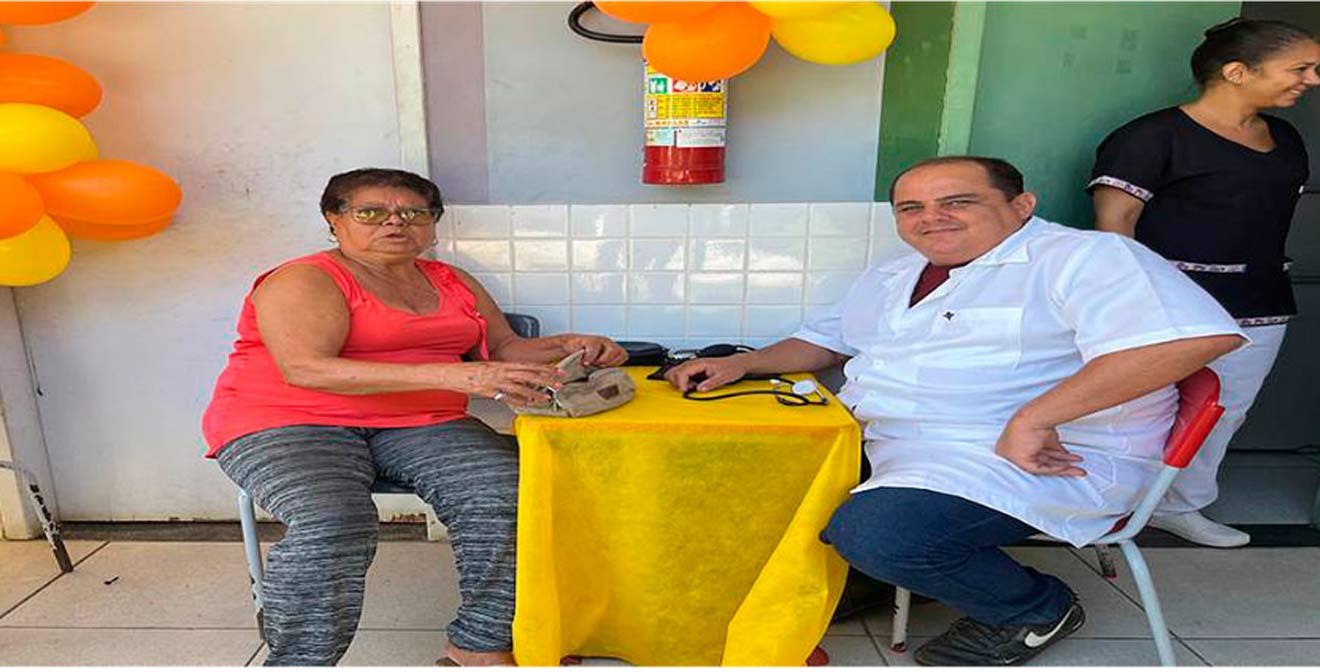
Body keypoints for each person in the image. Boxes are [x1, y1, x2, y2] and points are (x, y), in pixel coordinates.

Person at [665, 156, 1244, 666]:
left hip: (1035, 456)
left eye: (958, 202)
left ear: (1021, 205)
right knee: (738, 472)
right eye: (910, 207)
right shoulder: (895, 273)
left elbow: (1191, 341)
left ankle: (1034, 608)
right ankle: (876, 580)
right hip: (895, 444)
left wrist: (1035, 417)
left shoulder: (1084, 257)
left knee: (880, 534)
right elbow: (827, 340)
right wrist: (744, 363)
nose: (931, 218)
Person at [201, 168, 627, 666]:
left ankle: (480, 643)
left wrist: (569, 346)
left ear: (432, 223)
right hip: (288, 420)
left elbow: (504, 347)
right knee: (333, 520)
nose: (395, 222)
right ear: (333, 219)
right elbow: (305, 369)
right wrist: (458, 377)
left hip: (420, 419)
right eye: (370, 212)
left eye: (414, 212)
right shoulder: (304, 278)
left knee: (513, 490)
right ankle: (299, 661)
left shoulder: (452, 280)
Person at [1090, 18, 1319, 547]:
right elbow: (1115, 226)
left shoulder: (1284, 137)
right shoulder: (1151, 137)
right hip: (1167, 301)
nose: (1312, 80)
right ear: (1237, 72)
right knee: (1131, 408)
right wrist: (1129, 304)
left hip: (1259, 301)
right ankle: (1099, 505)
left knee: (1223, 411)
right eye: (1300, 68)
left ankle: (1178, 505)